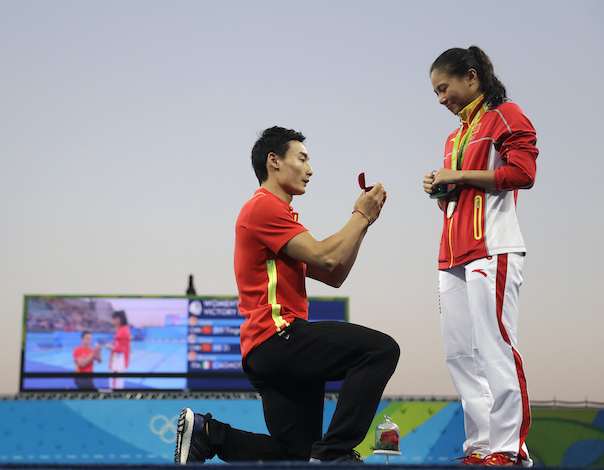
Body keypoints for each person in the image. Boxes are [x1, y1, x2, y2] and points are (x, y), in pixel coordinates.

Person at [175, 126, 400, 464]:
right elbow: (326, 255)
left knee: (295, 456)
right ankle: (334, 453)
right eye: (303, 159)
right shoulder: (264, 208)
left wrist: (363, 225)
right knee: (380, 350)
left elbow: (334, 273)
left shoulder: (277, 217)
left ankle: (208, 434)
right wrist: (360, 214)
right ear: (274, 161)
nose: (310, 170)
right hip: (279, 335)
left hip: (266, 351)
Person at [422, 46, 538, 467]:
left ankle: (510, 448)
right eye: (435, 93)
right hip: (451, 253)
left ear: (471, 77)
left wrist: (459, 175)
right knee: (459, 354)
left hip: (492, 246)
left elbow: (522, 174)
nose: (440, 99)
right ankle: (482, 446)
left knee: (495, 347)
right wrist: (441, 187)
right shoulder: (455, 136)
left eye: (443, 88)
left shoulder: (506, 114)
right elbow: (456, 197)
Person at [104, 310, 130, 389]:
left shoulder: (123, 330)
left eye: (113, 319)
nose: (111, 321)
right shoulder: (122, 329)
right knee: (117, 383)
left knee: (115, 384)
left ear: (118, 319)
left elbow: (121, 348)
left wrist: (109, 346)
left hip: (118, 362)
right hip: (118, 361)